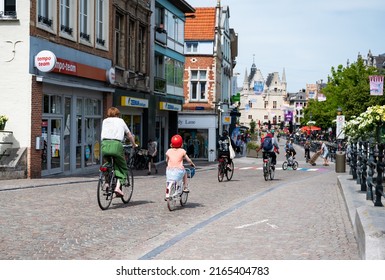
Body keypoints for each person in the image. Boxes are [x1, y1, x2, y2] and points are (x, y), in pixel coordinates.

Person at [101, 107, 137, 197]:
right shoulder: (120, 121)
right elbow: (129, 135)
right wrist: (134, 144)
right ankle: (117, 187)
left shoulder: (104, 121)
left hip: (105, 144)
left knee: (107, 164)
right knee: (123, 167)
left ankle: (106, 183)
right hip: (116, 145)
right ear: (117, 114)